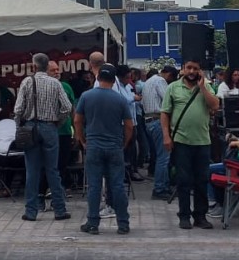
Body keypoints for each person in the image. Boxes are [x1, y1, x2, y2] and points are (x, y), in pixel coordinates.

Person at [161, 58, 220, 229]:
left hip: (202, 141)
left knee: (202, 180)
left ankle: (200, 216)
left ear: (200, 71)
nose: (192, 72)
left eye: (195, 68)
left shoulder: (206, 87)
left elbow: (215, 105)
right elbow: (165, 113)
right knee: (183, 180)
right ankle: (184, 215)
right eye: (189, 68)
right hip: (181, 141)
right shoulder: (173, 88)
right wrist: (166, 136)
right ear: (183, 69)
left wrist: (203, 87)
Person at [13, 53, 72, 222]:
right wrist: (57, 123)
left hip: (30, 127)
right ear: (47, 67)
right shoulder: (55, 83)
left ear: (34, 67)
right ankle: (59, 209)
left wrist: (20, 126)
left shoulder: (27, 82)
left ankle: (31, 211)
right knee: (52, 170)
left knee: (32, 170)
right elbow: (67, 107)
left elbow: (18, 110)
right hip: (50, 128)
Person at [75, 63, 133, 235]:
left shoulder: (86, 96)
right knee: (117, 186)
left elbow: (77, 121)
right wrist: (124, 142)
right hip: (114, 146)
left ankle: (92, 223)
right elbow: (129, 126)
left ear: (98, 77)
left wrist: (82, 140)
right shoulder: (120, 99)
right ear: (114, 79)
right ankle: (123, 223)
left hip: (93, 145)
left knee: (94, 186)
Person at [141, 65, 178, 200]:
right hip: (157, 121)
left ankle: (163, 185)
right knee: (164, 157)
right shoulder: (160, 81)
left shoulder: (149, 81)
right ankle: (160, 188)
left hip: (149, 121)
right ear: (168, 75)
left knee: (160, 156)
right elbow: (169, 100)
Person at [0, 104, 24, 197]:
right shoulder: (18, 124)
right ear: (11, 114)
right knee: (13, 155)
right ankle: (7, 188)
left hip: (5, 159)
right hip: (22, 160)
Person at [48, 61, 76, 188]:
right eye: (53, 70)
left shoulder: (66, 86)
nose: (57, 72)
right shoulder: (43, 87)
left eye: (58, 69)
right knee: (49, 163)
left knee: (63, 162)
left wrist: (75, 130)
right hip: (48, 132)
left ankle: (61, 188)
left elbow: (72, 109)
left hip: (64, 131)